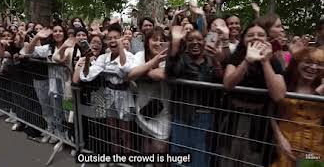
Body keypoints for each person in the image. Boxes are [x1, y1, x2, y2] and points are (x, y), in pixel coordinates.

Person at [221, 20, 286, 167]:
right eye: (250, 35)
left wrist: (265, 61)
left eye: (260, 35)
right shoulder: (237, 57)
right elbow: (228, 84)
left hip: (260, 122)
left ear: (267, 39)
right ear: (243, 40)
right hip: (234, 118)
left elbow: (278, 95)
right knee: (229, 160)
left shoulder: (274, 61)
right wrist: (247, 61)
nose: (256, 37)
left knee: (253, 161)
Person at [166, 26, 223, 167]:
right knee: (179, 154)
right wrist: (175, 44)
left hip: (204, 116)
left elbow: (220, 82)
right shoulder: (182, 59)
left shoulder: (210, 61)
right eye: (191, 40)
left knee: (199, 153)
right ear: (186, 43)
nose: (195, 42)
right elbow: (171, 71)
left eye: (199, 39)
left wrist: (216, 61)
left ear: (204, 41)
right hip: (182, 114)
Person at [79, 23, 136, 154]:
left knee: (125, 133)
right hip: (109, 96)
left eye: (116, 37)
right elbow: (87, 76)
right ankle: (116, 158)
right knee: (113, 132)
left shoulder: (131, 56)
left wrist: (121, 47)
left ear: (121, 38)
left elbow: (125, 69)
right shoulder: (104, 58)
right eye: (109, 38)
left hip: (125, 96)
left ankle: (127, 161)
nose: (112, 41)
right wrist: (87, 58)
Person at [272, 47, 324, 167]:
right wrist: (280, 139)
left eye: (319, 64)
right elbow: (272, 112)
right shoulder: (285, 82)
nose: (313, 67)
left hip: (315, 146)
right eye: (308, 62)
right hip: (288, 143)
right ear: (297, 63)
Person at [128, 27, 170, 158]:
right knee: (145, 145)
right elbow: (131, 74)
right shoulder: (140, 55)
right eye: (154, 40)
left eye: (162, 40)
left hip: (163, 112)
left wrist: (146, 72)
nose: (158, 43)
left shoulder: (168, 57)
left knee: (160, 148)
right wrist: (154, 62)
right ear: (147, 42)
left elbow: (163, 74)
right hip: (144, 109)